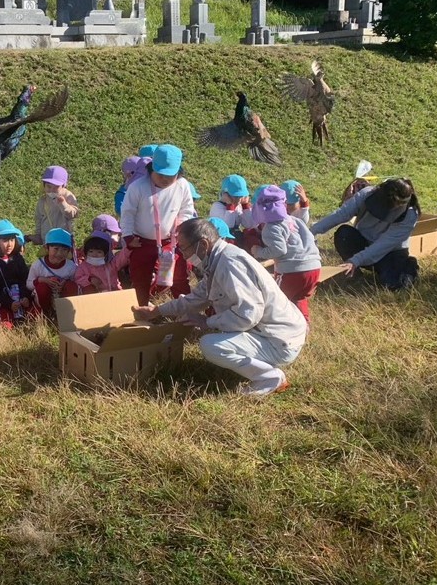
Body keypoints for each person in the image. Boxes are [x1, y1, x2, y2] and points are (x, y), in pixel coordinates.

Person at [134, 219, 307, 396]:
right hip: (275, 334)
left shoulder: (230, 264)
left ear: (203, 244)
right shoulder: (217, 261)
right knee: (218, 336)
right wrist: (157, 311)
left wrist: (207, 322)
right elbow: (196, 298)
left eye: (184, 248)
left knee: (211, 345)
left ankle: (270, 378)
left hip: (279, 340)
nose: (183, 255)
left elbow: (248, 315)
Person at [310, 178, 421, 291]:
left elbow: (383, 245)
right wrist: (311, 232)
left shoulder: (410, 215)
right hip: (363, 241)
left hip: (389, 253)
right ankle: (354, 275)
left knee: (394, 285)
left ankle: (407, 266)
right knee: (344, 234)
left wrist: (355, 261)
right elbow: (341, 214)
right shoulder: (367, 193)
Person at [119, 144, 196, 305]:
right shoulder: (138, 187)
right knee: (141, 279)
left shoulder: (182, 185)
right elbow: (127, 212)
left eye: (170, 175)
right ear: (151, 168)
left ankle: (186, 310)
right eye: (160, 174)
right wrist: (127, 236)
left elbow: (187, 209)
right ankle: (141, 311)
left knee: (179, 276)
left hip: (171, 242)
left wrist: (181, 227)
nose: (165, 179)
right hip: (141, 242)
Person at [249, 186, 322, 323]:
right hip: (314, 268)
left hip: (293, 271)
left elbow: (279, 250)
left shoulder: (271, 228)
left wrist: (258, 251)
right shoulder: (294, 220)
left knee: (277, 300)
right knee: (299, 298)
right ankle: (304, 324)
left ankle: (278, 328)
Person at [0, 220, 32, 328]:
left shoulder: (18, 259)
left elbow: (25, 279)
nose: (9, 244)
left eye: (12, 240)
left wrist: (25, 297)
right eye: (5, 240)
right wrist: (8, 303)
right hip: (2, 303)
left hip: (20, 301)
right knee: (5, 326)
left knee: (34, 318)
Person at [27, 228, 78, 315]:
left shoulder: (71, 266)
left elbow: (76, 282)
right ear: (46, 248)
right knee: (42, 288)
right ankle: (46, 312)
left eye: (64, 250)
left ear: (69, 251)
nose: (59, 253)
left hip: (62, 296)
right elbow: (29, 285)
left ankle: (66, 312)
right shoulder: (38, 265)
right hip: (44, 298)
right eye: (56, 249)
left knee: (71, 286)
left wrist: (65, 283)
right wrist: (41, 280)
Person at [29, 166, 80, 245]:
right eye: (48, 186)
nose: (51, 190)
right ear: (44, 185)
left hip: (64, 237)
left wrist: (64, 205)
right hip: (47, 238)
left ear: (63, 186)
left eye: (56, 187)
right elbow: (39, 218)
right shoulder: (43, 200)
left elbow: (74, 214)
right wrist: (38, 234)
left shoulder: (68, 196)